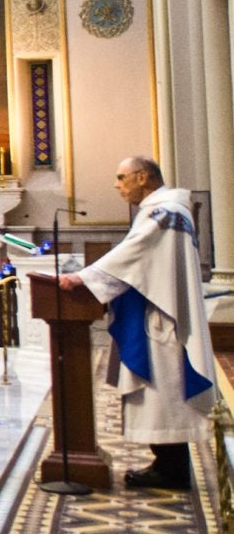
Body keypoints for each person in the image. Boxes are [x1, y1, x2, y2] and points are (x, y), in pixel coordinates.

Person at [58, 156, 214, 490]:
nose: (117, 184)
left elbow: (133, 253)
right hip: (157, 305)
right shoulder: (165, 209)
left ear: (142, 177)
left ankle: (171, 469)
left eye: (122, 177)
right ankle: (168, 464)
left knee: (164, 389)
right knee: (164, 390)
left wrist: (81, 278)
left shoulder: (165, 212)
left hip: (160, 314)